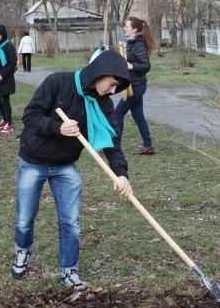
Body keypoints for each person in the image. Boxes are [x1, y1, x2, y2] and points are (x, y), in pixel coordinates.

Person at [11, 50, 133, 291]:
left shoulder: (103, 104)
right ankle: (22, 251)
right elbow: (30, 115)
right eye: (112, 84)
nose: (112, 91)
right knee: (25, 217)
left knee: (70, 222)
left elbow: (112, 141)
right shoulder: (58, 82)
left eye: (116, 88)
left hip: (65, 166)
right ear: (100, 73)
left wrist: (121, 173)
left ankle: (69, 270)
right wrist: (57, 128)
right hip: (33, 161)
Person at [112, 16, 155, 155]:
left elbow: (146, 65)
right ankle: (148, 146)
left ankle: (115, 147)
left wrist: (132, 66)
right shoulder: (131, 42)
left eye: (127, 26)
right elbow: (128, 58)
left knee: (117, 114)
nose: (124, 28)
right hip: (134, 85)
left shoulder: (138, 44)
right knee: (138, 116)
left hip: (136, 87)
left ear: (134, 29)